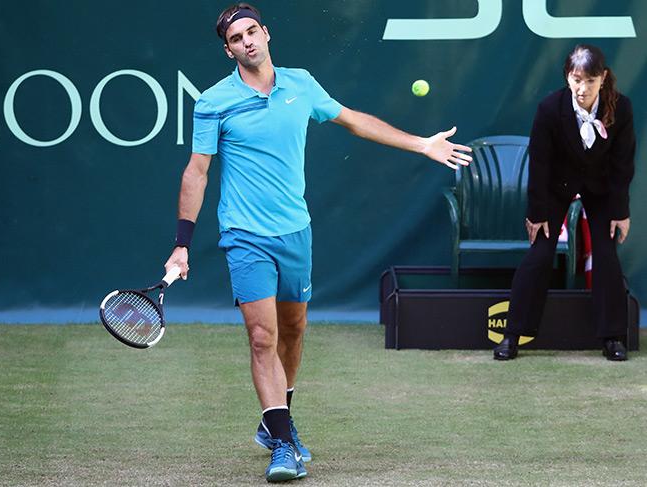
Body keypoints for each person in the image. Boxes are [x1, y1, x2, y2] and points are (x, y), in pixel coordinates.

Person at [164, 3, 472, 482]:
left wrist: (421, 143)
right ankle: (283, 444)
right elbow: (196, 171)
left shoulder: (301, 84)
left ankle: (274, 421)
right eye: (236, 38)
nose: (247, 41)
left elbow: (353, 121)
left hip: (296, 232)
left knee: (293, 331)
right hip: (245, 236)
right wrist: (182, 243)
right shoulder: (213, 102)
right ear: (228, 51)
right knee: (262, 336)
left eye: (252, 31)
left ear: (266, 34)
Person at [494, 44, 635, 362]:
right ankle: (512, 335)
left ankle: (612, 337)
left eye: (590, 80)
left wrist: (620, 212)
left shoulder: (621, 109)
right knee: (540, 253)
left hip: (599, 190)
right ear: (567, 78)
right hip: (557, 187)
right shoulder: (549, 108)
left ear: (603, 78)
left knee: (606, 253)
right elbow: (540, 163)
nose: (582, 88)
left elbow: (623, 165)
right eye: (576, 80)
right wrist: (537, 212)